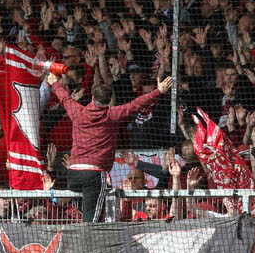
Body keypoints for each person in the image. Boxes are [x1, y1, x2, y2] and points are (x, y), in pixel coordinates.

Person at [48, 71, 173, 222]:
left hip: (73, 175)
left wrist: (54, 82)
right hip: (93, 176)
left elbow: (65, 99)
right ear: (108, 102)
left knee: (85, 209)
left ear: (93, 98)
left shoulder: (78, 112)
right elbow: (136, 105)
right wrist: (158, 91)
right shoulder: (111, 114)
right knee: (92, 222)